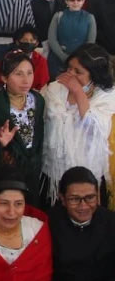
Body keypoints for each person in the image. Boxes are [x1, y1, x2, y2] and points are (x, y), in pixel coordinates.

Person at [42, 43, 115, 205]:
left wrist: (78, 92)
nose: (70, 74)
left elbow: (94, 128)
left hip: (89, 171)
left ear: (95, 75)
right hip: (55, 169)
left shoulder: (108, 96)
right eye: (69, 68)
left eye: (78, 72)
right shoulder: (55, 88)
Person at [0, 51, 46, 207]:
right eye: (18, 74)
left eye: (29, 73)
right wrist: (2, 144)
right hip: (8, 168)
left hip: (33, 166)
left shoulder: (37, 100)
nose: (26, 80)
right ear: (4, 78)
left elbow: (39, 135)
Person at [47, 0, 96, 78]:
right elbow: (52, 39)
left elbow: (90, 42)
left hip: (81, 62)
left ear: (83, 1)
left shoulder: (90, 18)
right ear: (66, 1)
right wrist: (64, 57)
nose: (75, 2)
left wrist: (78, 59)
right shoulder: (58, 16)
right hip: (58, 61)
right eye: (72, 0)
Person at [0, 26, 50, 91]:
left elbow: (43, 84)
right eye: (24, 40)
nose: (28, 43)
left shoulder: (41, 61)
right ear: (17, 42)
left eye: (32, 40)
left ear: (36, 43)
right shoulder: (8, 58)